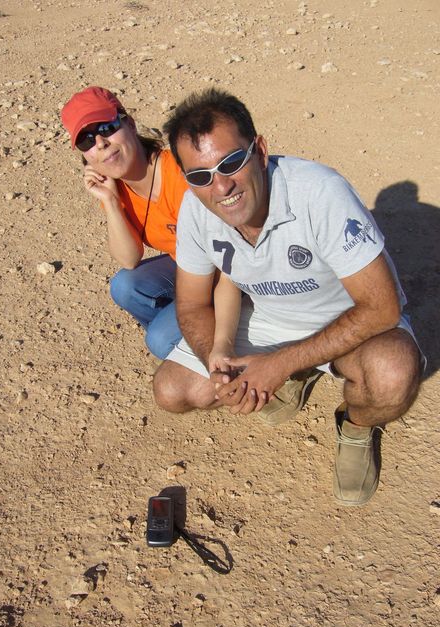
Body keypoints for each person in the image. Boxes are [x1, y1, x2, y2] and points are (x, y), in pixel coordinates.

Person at [152, 88, 425, 507]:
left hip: (347, 320)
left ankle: (356, 426)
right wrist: (216, 359)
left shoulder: (318, 192)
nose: (220, 186)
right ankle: (299, 375)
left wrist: (278, 363)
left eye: (231, 162)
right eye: (200, 176)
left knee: (391, 377)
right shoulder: (195, 210)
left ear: (259, 150)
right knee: (174, 390)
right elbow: (190, 304)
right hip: (269, 318)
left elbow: (382, 307)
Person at [61, 86, 188, 359]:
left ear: (129, 123)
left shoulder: (178, 170)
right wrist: (109, 201)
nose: (100, 143)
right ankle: (190, 350)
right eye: (86, 140)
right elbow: (129, 259)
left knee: (161, 339)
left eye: (106, 127)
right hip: (190, 267)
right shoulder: (118, 190)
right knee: (125, 286)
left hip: (227, 273)